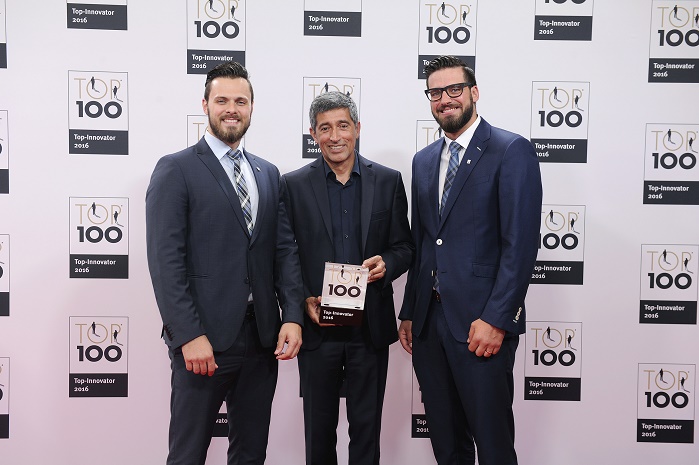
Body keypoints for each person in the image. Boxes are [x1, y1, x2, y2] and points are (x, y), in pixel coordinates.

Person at [146, 61, 304, 465]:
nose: (231, 108)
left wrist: (292, 316)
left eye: (240, 100)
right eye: (222, 100)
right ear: (205, 105)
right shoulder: (176, 168)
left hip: (262, 337)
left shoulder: (268, 174)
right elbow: (166, 261)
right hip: (203, 340)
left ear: (251, 107)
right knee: (188, 452)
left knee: (251, 453)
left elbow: (283, 251)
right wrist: (187, 335)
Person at [398, 56, 542, 465]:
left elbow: (520, 246)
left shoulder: (511, 149)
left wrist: (497, 319)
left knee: (493, 444)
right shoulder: (423, 160)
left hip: (482, 324)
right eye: (435, 93)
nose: (445, 100)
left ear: (474, 92)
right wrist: (410, 312)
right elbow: (425, 242)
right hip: (430, 326)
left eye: (454, 90)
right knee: (447, 444)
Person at [281, 91, 414, 465]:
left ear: (357, 128)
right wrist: (303, 299)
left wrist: (387, 263)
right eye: (325, 128)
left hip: (369, 330)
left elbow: (405, 245)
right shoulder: (292, 185)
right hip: (318, 327)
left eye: (343, 125)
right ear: (313, 134)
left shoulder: (387, 181)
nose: (334, 136)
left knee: (367, 432)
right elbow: (286, 255)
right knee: (318, 433)